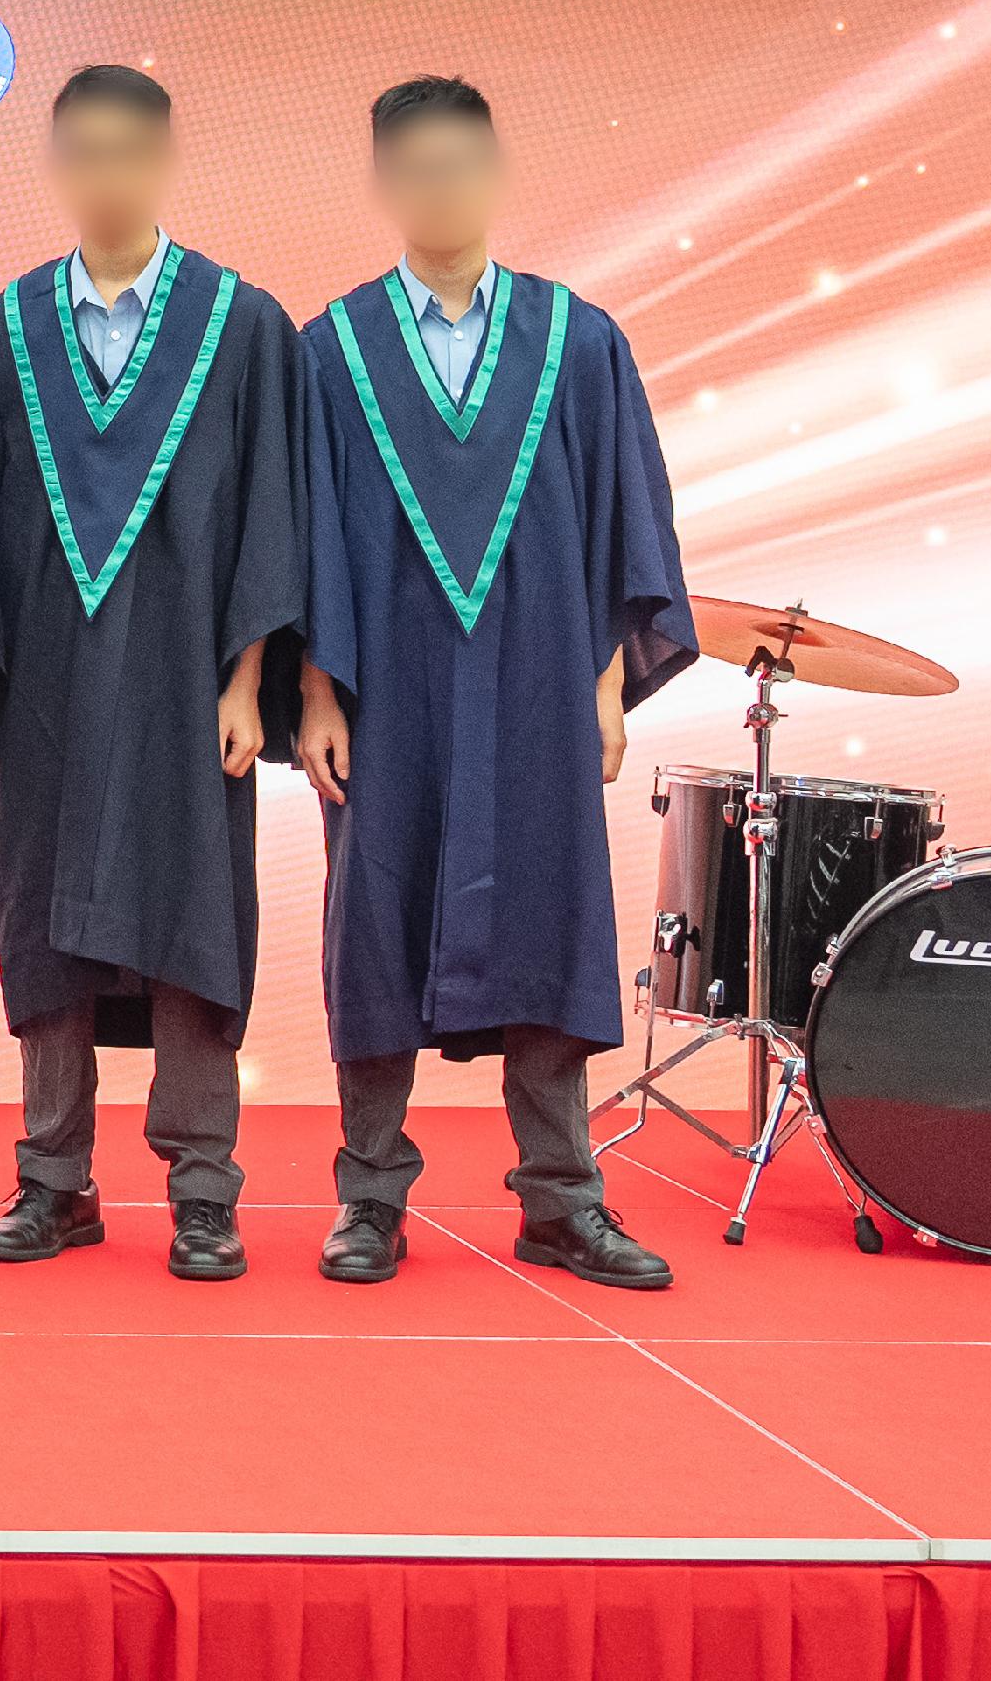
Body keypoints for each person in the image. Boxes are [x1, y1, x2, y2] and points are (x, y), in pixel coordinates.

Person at [288, 75, 695, 1291]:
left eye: (461, 160)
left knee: (548, 920)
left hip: (535, 684)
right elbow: (304, 538)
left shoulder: (579, 341)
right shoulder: (332, 349)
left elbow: (627, 525)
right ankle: (369, 1199)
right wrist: (314, 694)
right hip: (384, 691)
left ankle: (561, 1200)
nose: (439, 185)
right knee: (372, 924)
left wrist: (608, 687)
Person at [0, 64, 300, 1284]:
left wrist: (249, 677)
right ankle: (54, 1178)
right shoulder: (2, 332)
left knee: (192, 917)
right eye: (79, 152)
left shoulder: (240, 325)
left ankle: (202, 1187)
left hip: (187, 678)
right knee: (43, 914)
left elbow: (270, 515)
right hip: (41, 673)